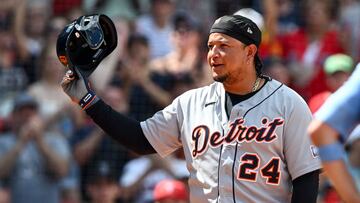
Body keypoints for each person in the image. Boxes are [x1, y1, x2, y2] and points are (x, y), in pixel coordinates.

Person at [60, 14, 321, 202]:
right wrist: (88, 100)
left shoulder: (289, 104)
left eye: (223, 46)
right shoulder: (191, 102)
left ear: (250, 52)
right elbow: (140, 140)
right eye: (210, 47)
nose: (213, 54)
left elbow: (306, 179)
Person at [0, 93, 71, 203]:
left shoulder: (55, 140)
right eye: (22, 112)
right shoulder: (4, 141)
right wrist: (21, 143)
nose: (27, 116)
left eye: (31, 111)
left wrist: (40, 142)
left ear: (38, 115)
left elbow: (62, 171)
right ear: (13, 116)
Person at [308, 63, 360, 203]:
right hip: (337, 162)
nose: (339, 79)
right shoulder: (320, 99)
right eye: (334, 76)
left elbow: (321, 131)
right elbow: (320, 132)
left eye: (342, 75)